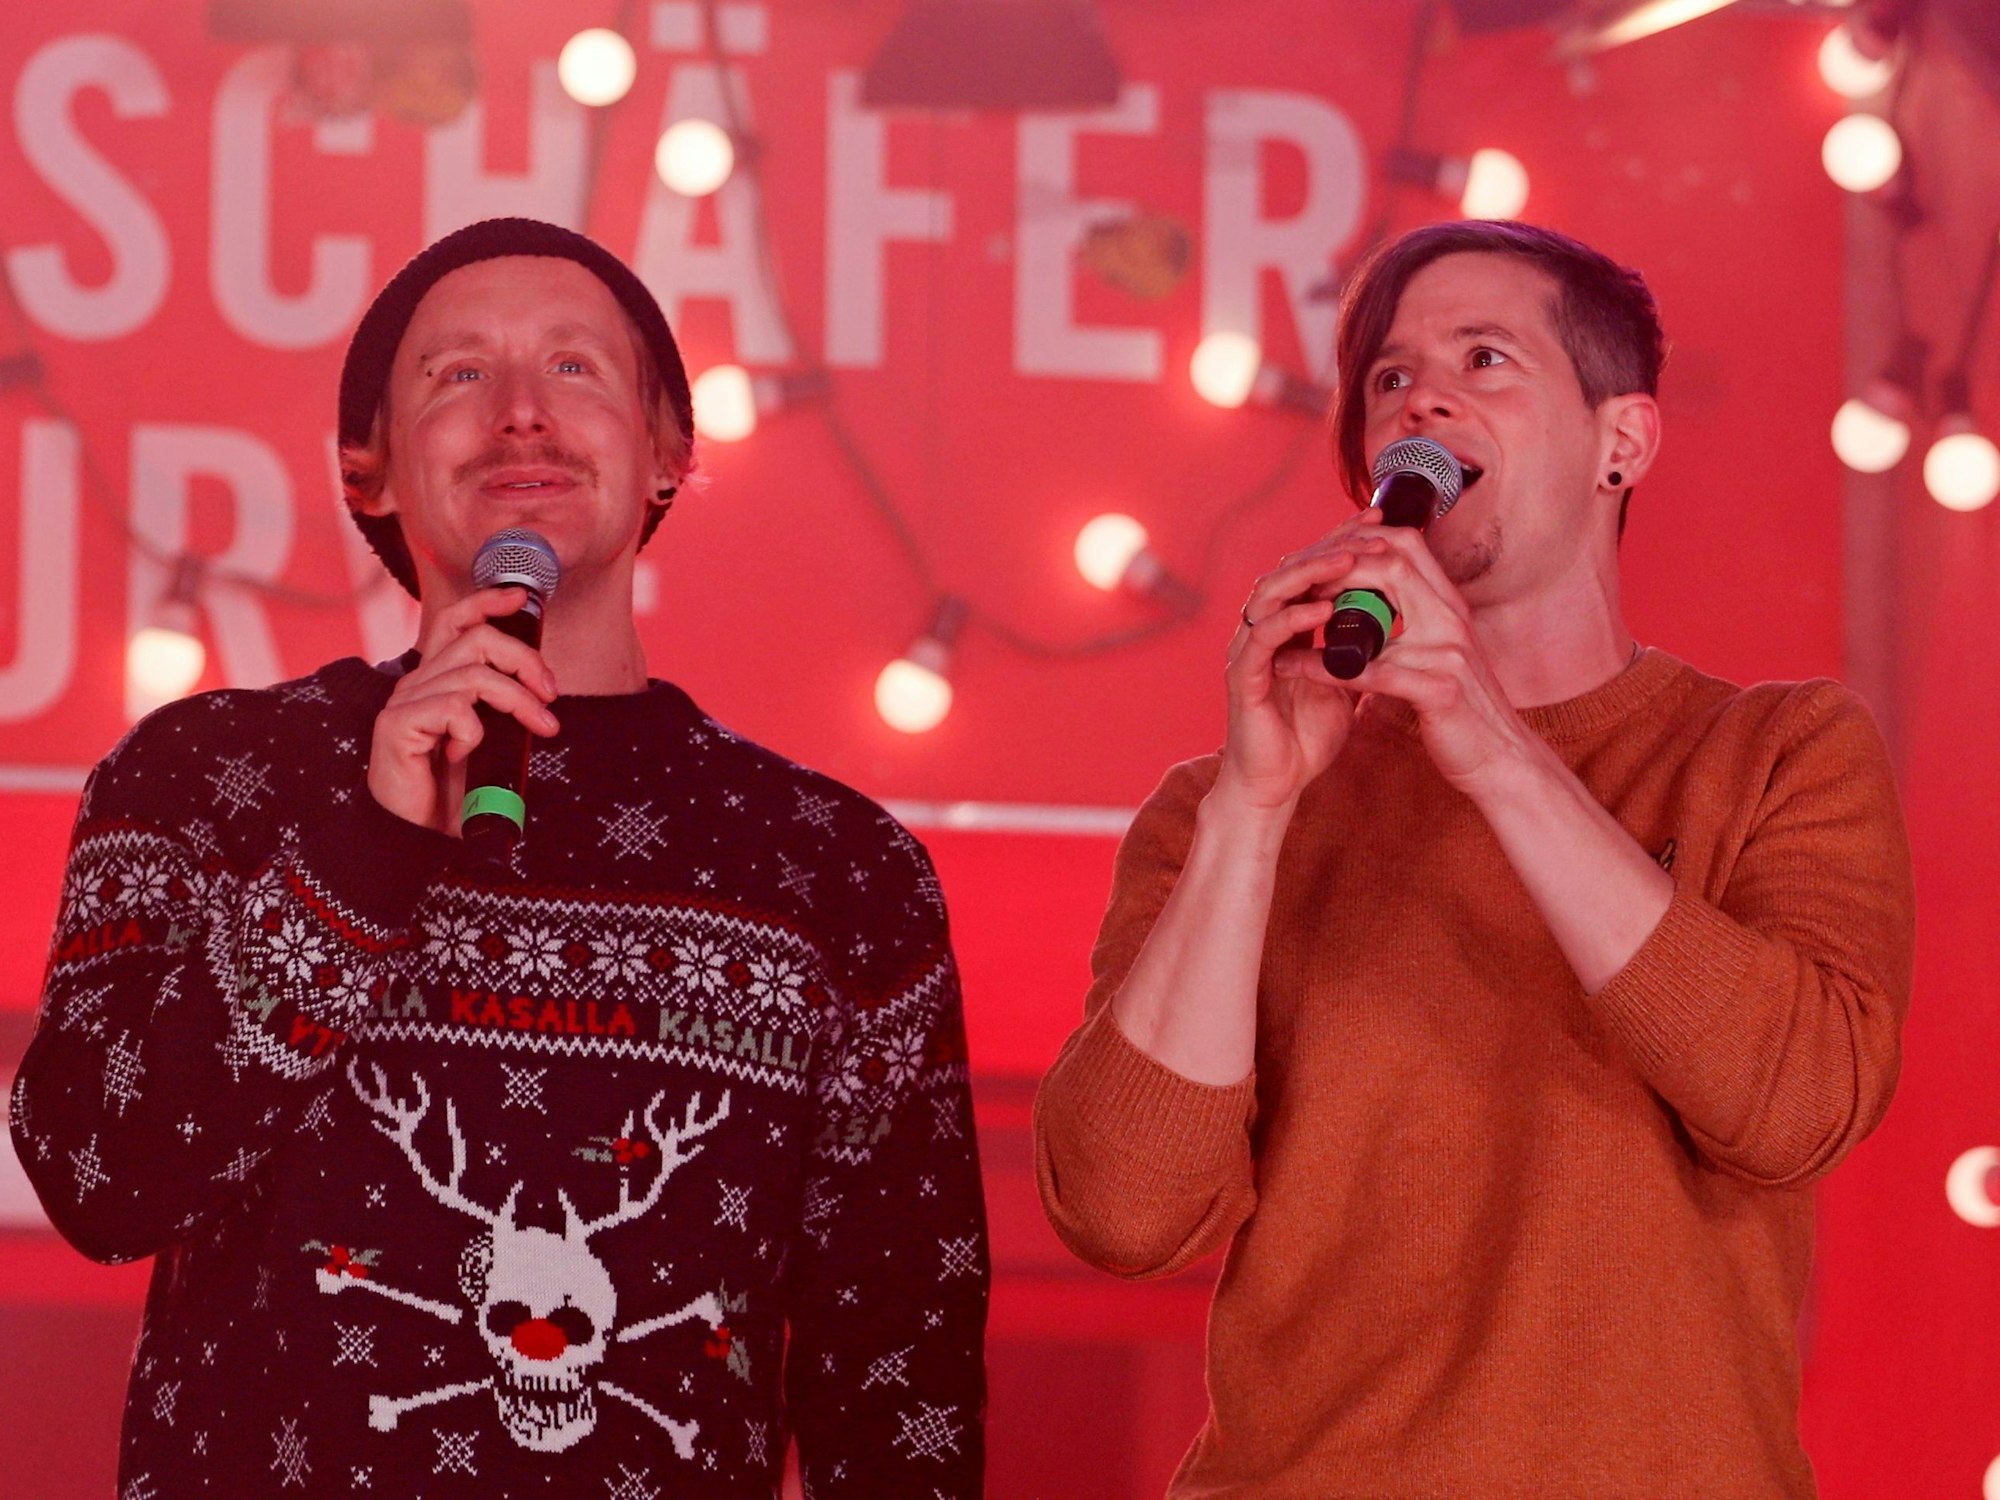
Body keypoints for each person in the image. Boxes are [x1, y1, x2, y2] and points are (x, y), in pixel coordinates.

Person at [10, 217, 988, 1499]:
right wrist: (359, 853)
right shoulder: (202, 779)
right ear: (367, 471)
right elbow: (99, 1178)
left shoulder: (838, 871)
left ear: (666, 458)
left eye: (575, 370)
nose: (522, 415)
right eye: (457, 375)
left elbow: (899, 1374)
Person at [1033, 219, 1913, 1497]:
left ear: (1622, 442)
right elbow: (1120, 1211)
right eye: (1389, 378)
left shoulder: (1777, 751)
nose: (1421, 398)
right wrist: (1254, 809)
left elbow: (1796, 1107)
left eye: (1484, 359)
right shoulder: (1225, 808)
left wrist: (1490, 748)